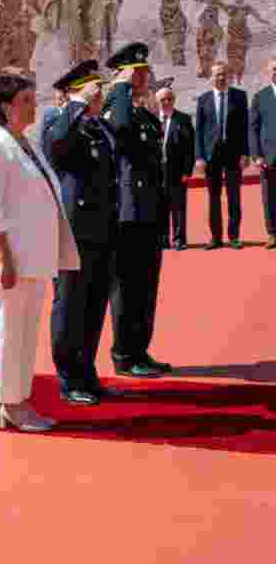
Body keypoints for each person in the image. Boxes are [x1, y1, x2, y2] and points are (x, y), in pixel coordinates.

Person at [0, 73, 80, 432]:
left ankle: (19, 401)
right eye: (25, 101)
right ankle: (11, 404)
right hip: (12, 261)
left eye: (33, 99)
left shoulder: (25, 143)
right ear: (6, 107)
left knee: (25, 334)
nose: (34, 106)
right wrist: (4, 257)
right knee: (10, 333)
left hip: (34, 259)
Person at [44, 60, 120, 407]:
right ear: (77, 90)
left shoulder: (98, 127)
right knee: (70, 306)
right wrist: (74, 103)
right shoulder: (59, 123)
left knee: (93, 306)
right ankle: (69, 379)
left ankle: (87, 373)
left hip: (102, 229)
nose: (99, 93)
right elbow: (56, 144)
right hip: (73, 232)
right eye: (94, 87)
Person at [102, 42, 171, 378]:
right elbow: (121, 129)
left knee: (146, 287)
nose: (143, 76)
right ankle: (124, 355)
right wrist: (120, 87)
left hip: (150, 212)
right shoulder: (117, 109)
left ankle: (140, 350)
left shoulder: (143, 112)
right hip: (127, 214)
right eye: (137, 72)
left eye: (143, 72)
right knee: (127, 288)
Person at [194, 60, 250, 250]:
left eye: (223, 74)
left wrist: (245, 153)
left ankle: (234, 236)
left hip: (234, 155)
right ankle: (216, 238)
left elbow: (245, 128)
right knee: (214, 198)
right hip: (211, 156)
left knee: (234, 196)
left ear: (229, 76)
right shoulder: (203, 99)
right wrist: (199, 157)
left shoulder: (240, 97)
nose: (220, 77)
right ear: (211, 77)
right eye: (217, 74)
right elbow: (199, 131)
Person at [157, 86, 195, 250]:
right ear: (157, 102)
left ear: (174, 100)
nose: (166, 102)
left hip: (177, 171)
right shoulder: (151, 119)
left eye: (169, 99)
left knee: (178, 207)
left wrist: (187, 171)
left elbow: (189, 148)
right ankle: (163, 239)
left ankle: (180, 239)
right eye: (162, 100)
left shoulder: (184, 119)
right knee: (161, 207)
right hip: (157, 172)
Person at [249, 57, 276, 249]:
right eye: (274, 69)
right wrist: (256, 155)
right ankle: (273, 233)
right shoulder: (260, 97)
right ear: (269, 72)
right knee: (270, 197)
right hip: (269, 156)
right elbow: (253, 128)